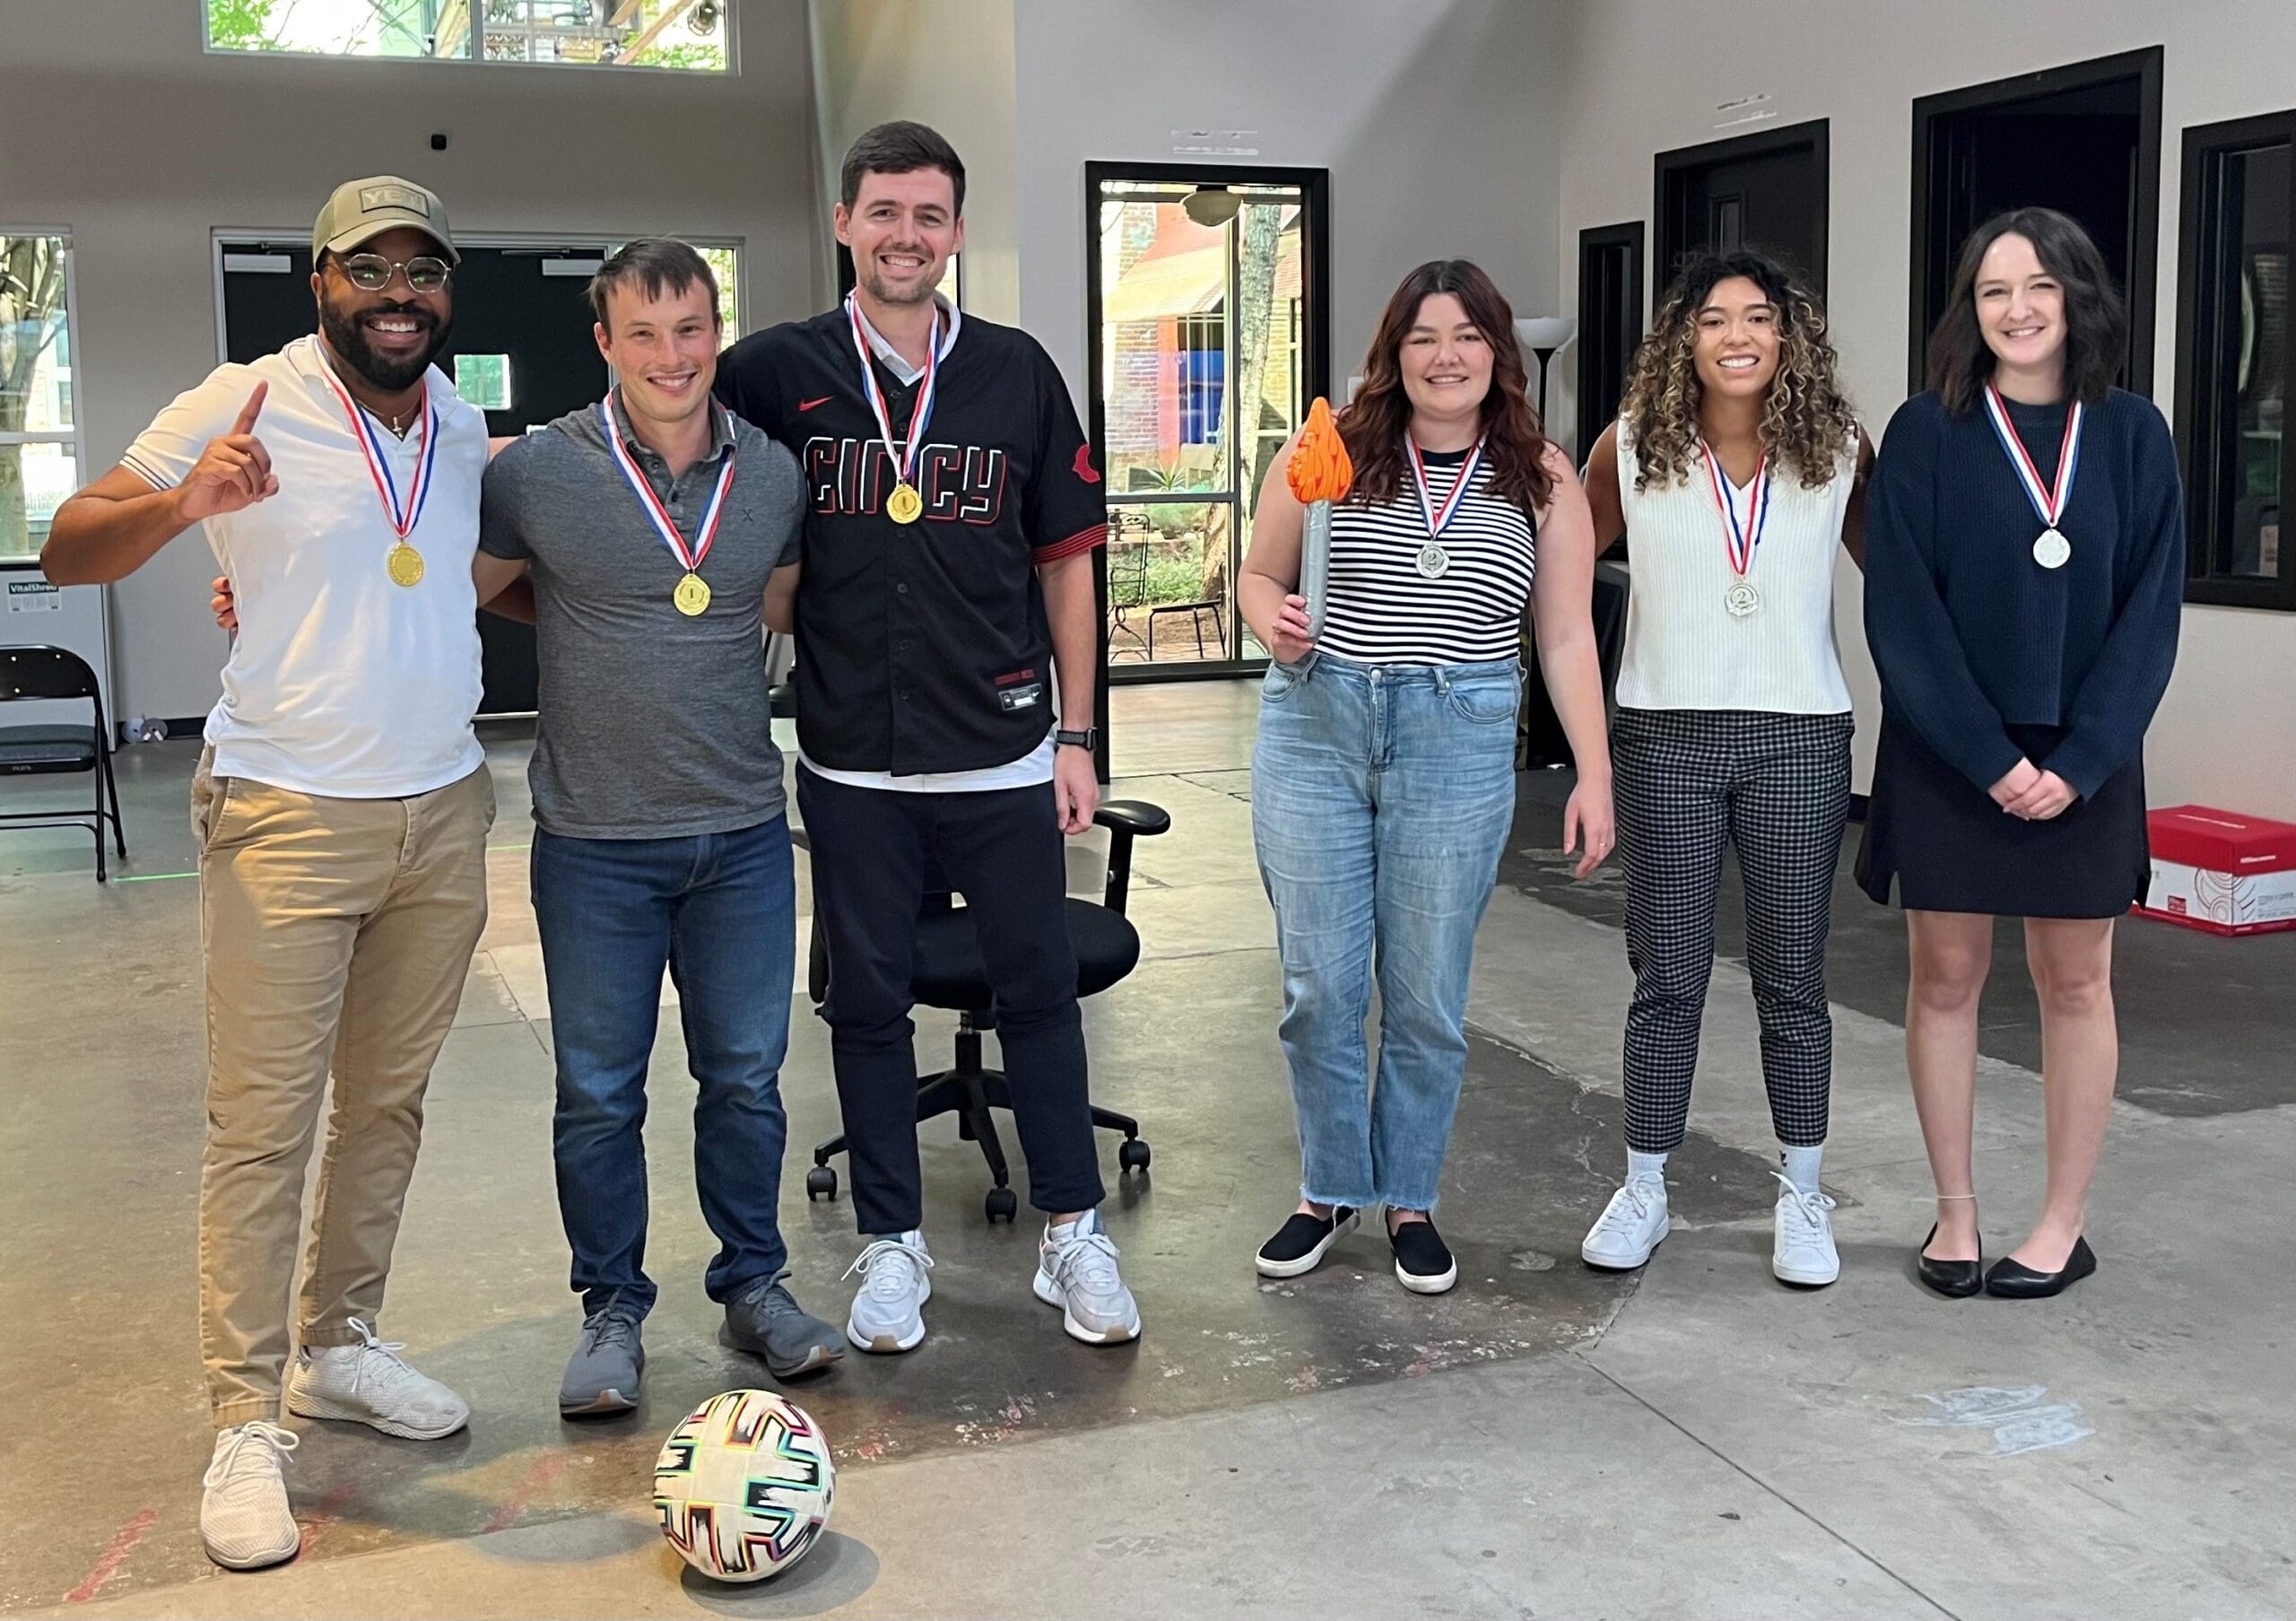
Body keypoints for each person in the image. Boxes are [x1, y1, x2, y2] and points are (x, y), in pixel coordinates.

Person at [44, 177, 491, 1572]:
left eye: (422, 270)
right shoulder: (245, 397)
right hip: (289, 814)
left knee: (389, 1107)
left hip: (445, 810)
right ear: (321, 282)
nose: (400, 292)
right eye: (372, 270)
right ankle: (245, 1415)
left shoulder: (467, 424)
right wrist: (187, 507)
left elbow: (446, 574)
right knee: (264, 1123)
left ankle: (341, 1343)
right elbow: (68, 549)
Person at [714, 121, 1140, 1350]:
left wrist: (1076, 732)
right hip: (852, 758)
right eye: (884, 211)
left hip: (1004, 747)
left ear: (956, 232)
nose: (907, 234)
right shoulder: (771, 373)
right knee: (867, 1007)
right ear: (845, 223)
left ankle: (1073, 1231)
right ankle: (895, 1245)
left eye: (930, 215)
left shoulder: (1016, 372)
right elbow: (669, 468)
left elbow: (1067, 566)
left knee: (1041, 993)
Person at [473, 240, 847, 1408]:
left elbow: (777, 601)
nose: (672, 356)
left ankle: (753, 1284)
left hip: (738, 834)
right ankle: (613, 1309)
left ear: (716, 332)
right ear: (605, 344)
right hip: (594, 844)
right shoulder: (537, 471)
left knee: (746, 1078)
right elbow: (453, 587)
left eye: (691, 329)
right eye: (645, 333)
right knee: (599, 1088)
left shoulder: (774, 474)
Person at [1237, 259, 1613, 1295]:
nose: (1443, 357)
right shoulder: (1328, 451)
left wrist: (1594, 770)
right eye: (1421, 337)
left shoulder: (1541, 473)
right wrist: (1273, 617)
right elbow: (1257, 576)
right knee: (1318, 987)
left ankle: (1408, 1195)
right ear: (1391, 353)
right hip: (1319, 725)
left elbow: (1568, 636)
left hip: (1459, 736)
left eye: (1465, 336)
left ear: (1496, 351)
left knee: (1425, 994)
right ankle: (1327, 1188)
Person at [1859, 206, 2183, 1300]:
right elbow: (1903, 613)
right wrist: (1986, 755)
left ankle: (2060, 1222)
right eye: (1994, 291)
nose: (2017, 310)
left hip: (2084, 754)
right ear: (1970, 310)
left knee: (2075, 983)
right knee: (1945, 977)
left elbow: (2150, 614)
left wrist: (2085, 756)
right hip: (1953, 752)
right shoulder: (1926, 431)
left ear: (2076, 298)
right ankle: (1954, 1216)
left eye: (2039, 287)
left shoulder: (2135, 434)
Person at [1574, 250, 1872, 1289]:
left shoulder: (1836, 448)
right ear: (1683, 339)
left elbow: (1912, 583)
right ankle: (1644, 1184)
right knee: (1669, 973)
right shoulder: (1632, 446)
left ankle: (1801, 1190)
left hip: (1799, 738)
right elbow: (1553, 572)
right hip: (1664, 738)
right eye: (1713, 319)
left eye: (1758, 317)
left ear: (1789, 336)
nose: (1736, 335)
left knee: (1794, 976)